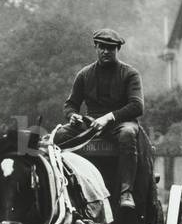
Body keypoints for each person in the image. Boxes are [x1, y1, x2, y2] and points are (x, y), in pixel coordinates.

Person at [54, 28, 144, 210]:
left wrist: (109, 117)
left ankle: (126, 192)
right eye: (102, 47)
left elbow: (137, 106)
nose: (105, 51)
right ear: (96, 47)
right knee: (60, 135)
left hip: (120, 122)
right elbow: (70, 104)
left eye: (110, 48)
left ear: (117, 49)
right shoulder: (84, 74)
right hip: (91, 124)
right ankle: (62, 188)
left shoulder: (130, 74)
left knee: (127, 134)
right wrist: (73, 116)